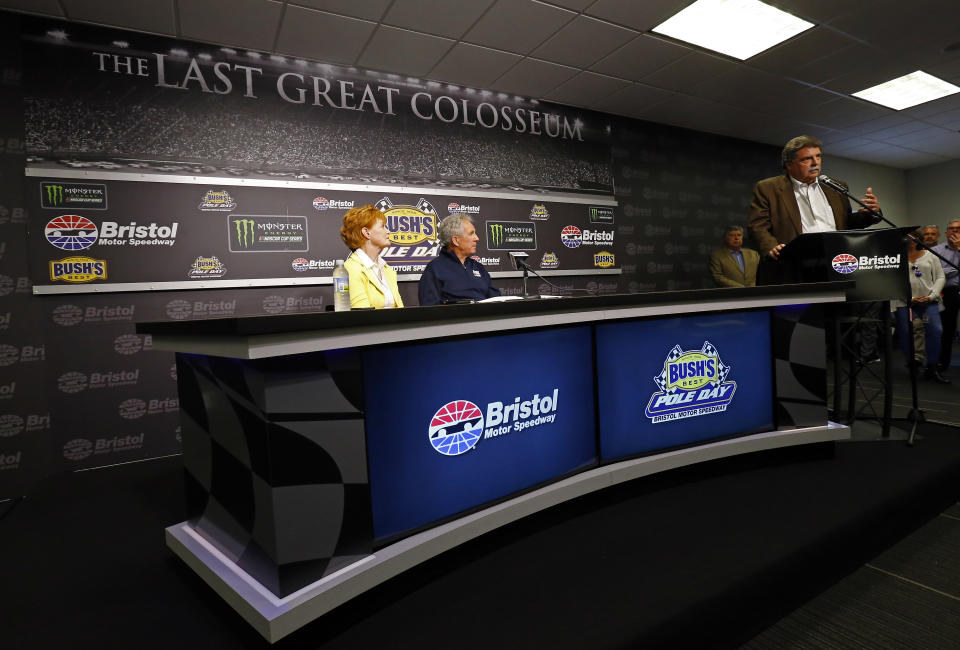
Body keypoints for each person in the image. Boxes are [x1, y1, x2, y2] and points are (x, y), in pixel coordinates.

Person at [748, 135, 881, 264]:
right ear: (789, 165)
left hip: (836, 258)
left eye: (818, 156)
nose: (815, 162)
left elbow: (846, 223)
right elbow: (757, 226)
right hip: (795, 262)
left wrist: (870, 213)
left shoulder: (835, 186)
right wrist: (770, 246)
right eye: (807, 159)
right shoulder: (769, 188)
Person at [892, 230, 948, 383]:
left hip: (928, 301)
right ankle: (913, 364)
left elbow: (940, 276)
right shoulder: (897, 257)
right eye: (907, 237)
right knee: (905, 333)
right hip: (903, 302)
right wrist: (910, 298)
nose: (909, 240)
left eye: (913, 237)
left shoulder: (931, 255)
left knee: (935, 330)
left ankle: (932, 367)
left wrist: (932, 295)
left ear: (918, 239)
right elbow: (892, 280)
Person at [418, 214, 500, 305]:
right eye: (471, 233)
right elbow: (429, 309)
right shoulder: (435, 269)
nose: (477, 238)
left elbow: (495, 299)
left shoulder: (478, 267)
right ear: (455, 240)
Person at [339, 204, 404, 309]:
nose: (388, 231)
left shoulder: (387, 269)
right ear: (366, 232)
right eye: (382, 226)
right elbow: (362, 316)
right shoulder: (350, 269)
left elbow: (401, 310)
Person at [932, 219, 960, 373]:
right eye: (951, 228)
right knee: (947, 330)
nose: (955, 231)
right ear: (946, 232)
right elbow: (935, 273)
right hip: (948, 292)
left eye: (958, 229)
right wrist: (954, 271)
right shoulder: (936, 250)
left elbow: (943, 271)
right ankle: (943, 363)